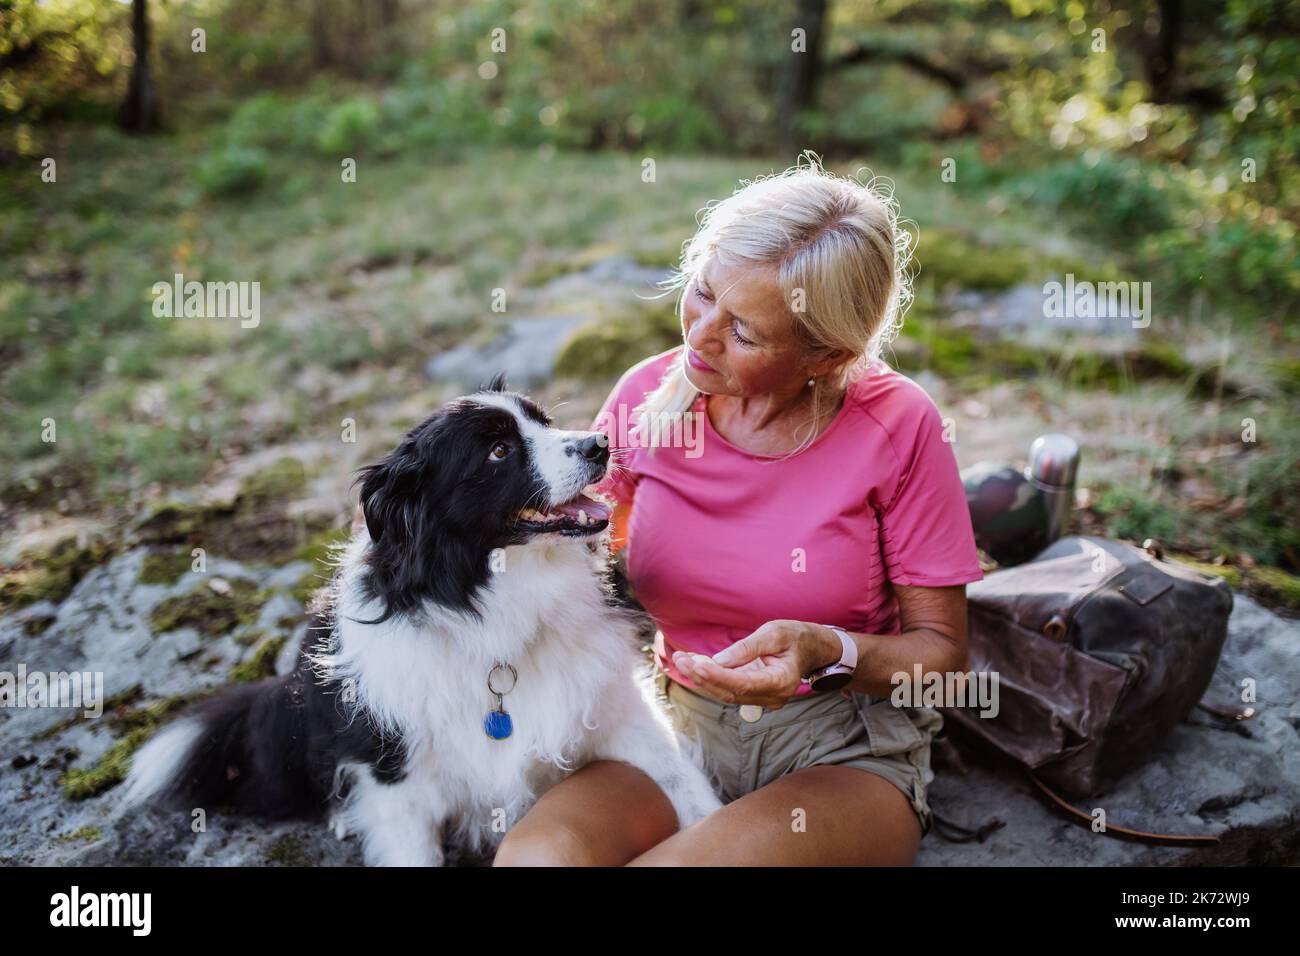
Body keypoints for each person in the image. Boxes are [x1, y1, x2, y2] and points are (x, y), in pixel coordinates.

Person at [491, 155, 984, 866]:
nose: (699, 335)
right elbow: (568, 535)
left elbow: (943, 661)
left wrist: (828, 651)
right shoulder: (649, 395)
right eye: (701, 292)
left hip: (840, 748)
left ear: (826, 354)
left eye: (745, 332)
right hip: (668, 726)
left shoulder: (898, 425)